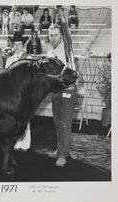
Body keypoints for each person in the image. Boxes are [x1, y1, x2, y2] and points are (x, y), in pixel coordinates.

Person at [47, 24, 78, 167]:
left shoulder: (67, 50)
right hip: (56, 92)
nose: (53, 38)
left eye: (56, 35)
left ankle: (63, 156)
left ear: (61, 36)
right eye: (51, 35)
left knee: (65, 124)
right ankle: (61, 149)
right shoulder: (49, 53)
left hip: (68, 91)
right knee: (57, 123)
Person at [4, 31, 32, 151]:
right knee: (13, 120)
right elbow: (5, 78)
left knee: (25, 119)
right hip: (13, 95)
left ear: (23, 46)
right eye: (14, 44)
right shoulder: (9, 60)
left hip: (25, 94)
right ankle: (15, 143)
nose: (16, 46)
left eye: (19, 44)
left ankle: (25, 144)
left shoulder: (28, 59)